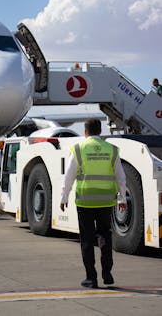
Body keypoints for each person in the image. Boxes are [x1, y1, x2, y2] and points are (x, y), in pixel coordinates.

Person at [60, 119, 126, 289]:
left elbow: (69, 176)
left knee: (87, 240)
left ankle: (91, 278)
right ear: (100, 130)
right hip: (106, 201)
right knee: (105, 235)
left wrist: (63, 197)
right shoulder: (112, 150)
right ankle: (107, 272)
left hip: (85, 201)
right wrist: (122, 199)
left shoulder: (78, 149)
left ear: (85, 132)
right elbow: (121, 177)